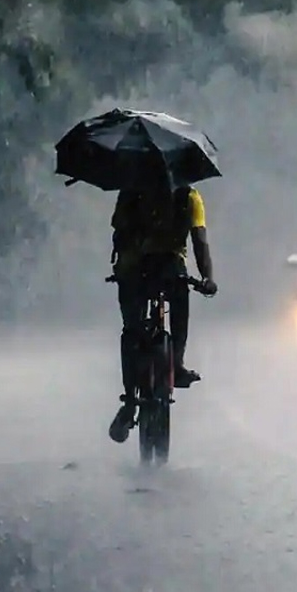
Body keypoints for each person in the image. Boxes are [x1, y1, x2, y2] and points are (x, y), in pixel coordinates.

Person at [108, 176, 217, 443]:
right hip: (171, 268)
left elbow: (118, 233)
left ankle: (130, 399)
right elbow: (199, 242)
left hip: (135, 268)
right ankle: (176, 363)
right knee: (180, 305)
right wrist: (207, 278)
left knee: (131, 330)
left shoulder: (130, 190)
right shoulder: (190, 196)